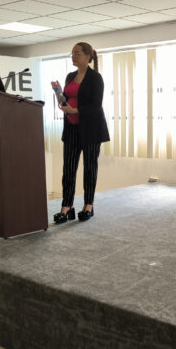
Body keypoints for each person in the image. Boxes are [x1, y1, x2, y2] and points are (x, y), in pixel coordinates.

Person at [51, 42, 110, 223]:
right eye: (72, 53)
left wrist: (75, 110)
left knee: (89, 168)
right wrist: (59, 93)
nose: (73, 56)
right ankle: (66, 207)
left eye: (77, 53)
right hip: (71, 129)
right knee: (68, 169)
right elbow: (67, 99)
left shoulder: (95, 78)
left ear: (87, 57)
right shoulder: (70, 76)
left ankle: (88, 205)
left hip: (91, 130)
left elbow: (96, 105)